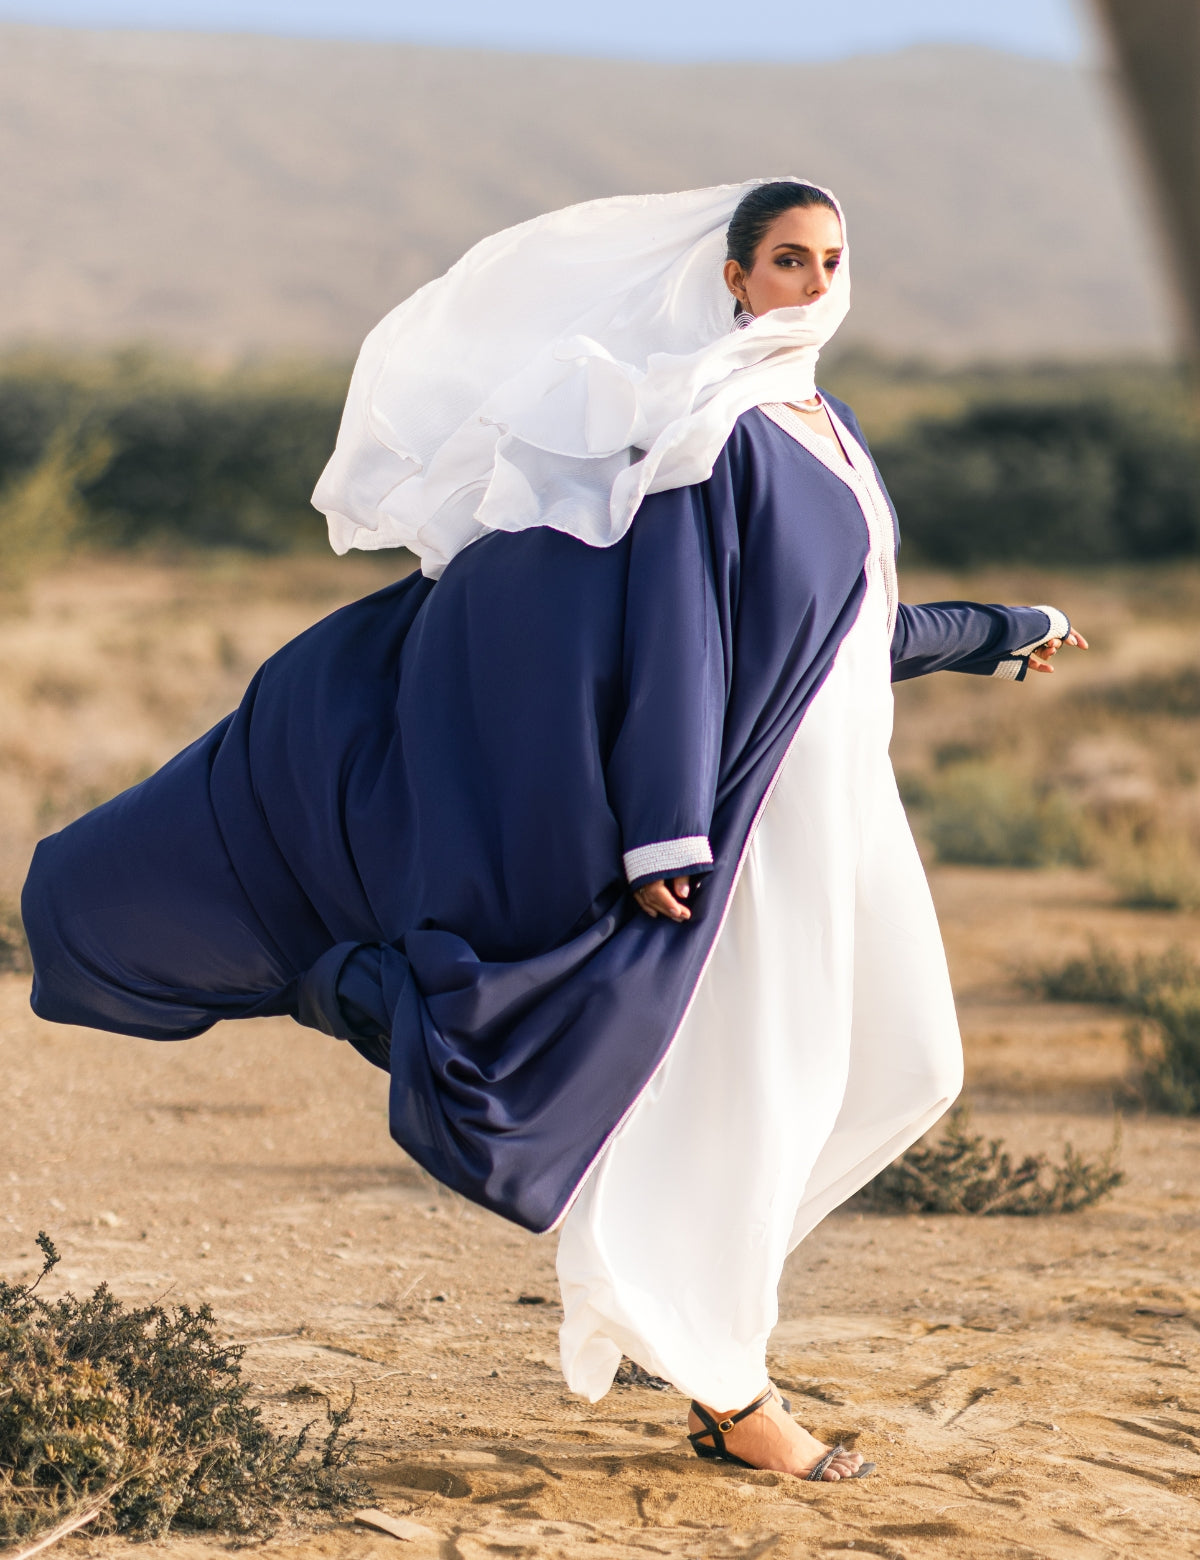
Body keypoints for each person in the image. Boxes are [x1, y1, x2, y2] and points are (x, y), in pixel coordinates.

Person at [21, 179, 1086, 1482]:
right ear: (735, 278)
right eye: (787, 261)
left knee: (897, 1064)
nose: (813, 283)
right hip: (736, 820)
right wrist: (658, 837)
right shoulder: (717, 428)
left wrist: (994, 633)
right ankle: (727, 1383)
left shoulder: (831, 427)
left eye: (832, 260)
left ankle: (697, 1330)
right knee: (742, 1090)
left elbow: (839, 634)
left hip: (838, 803)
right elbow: (681, 646)